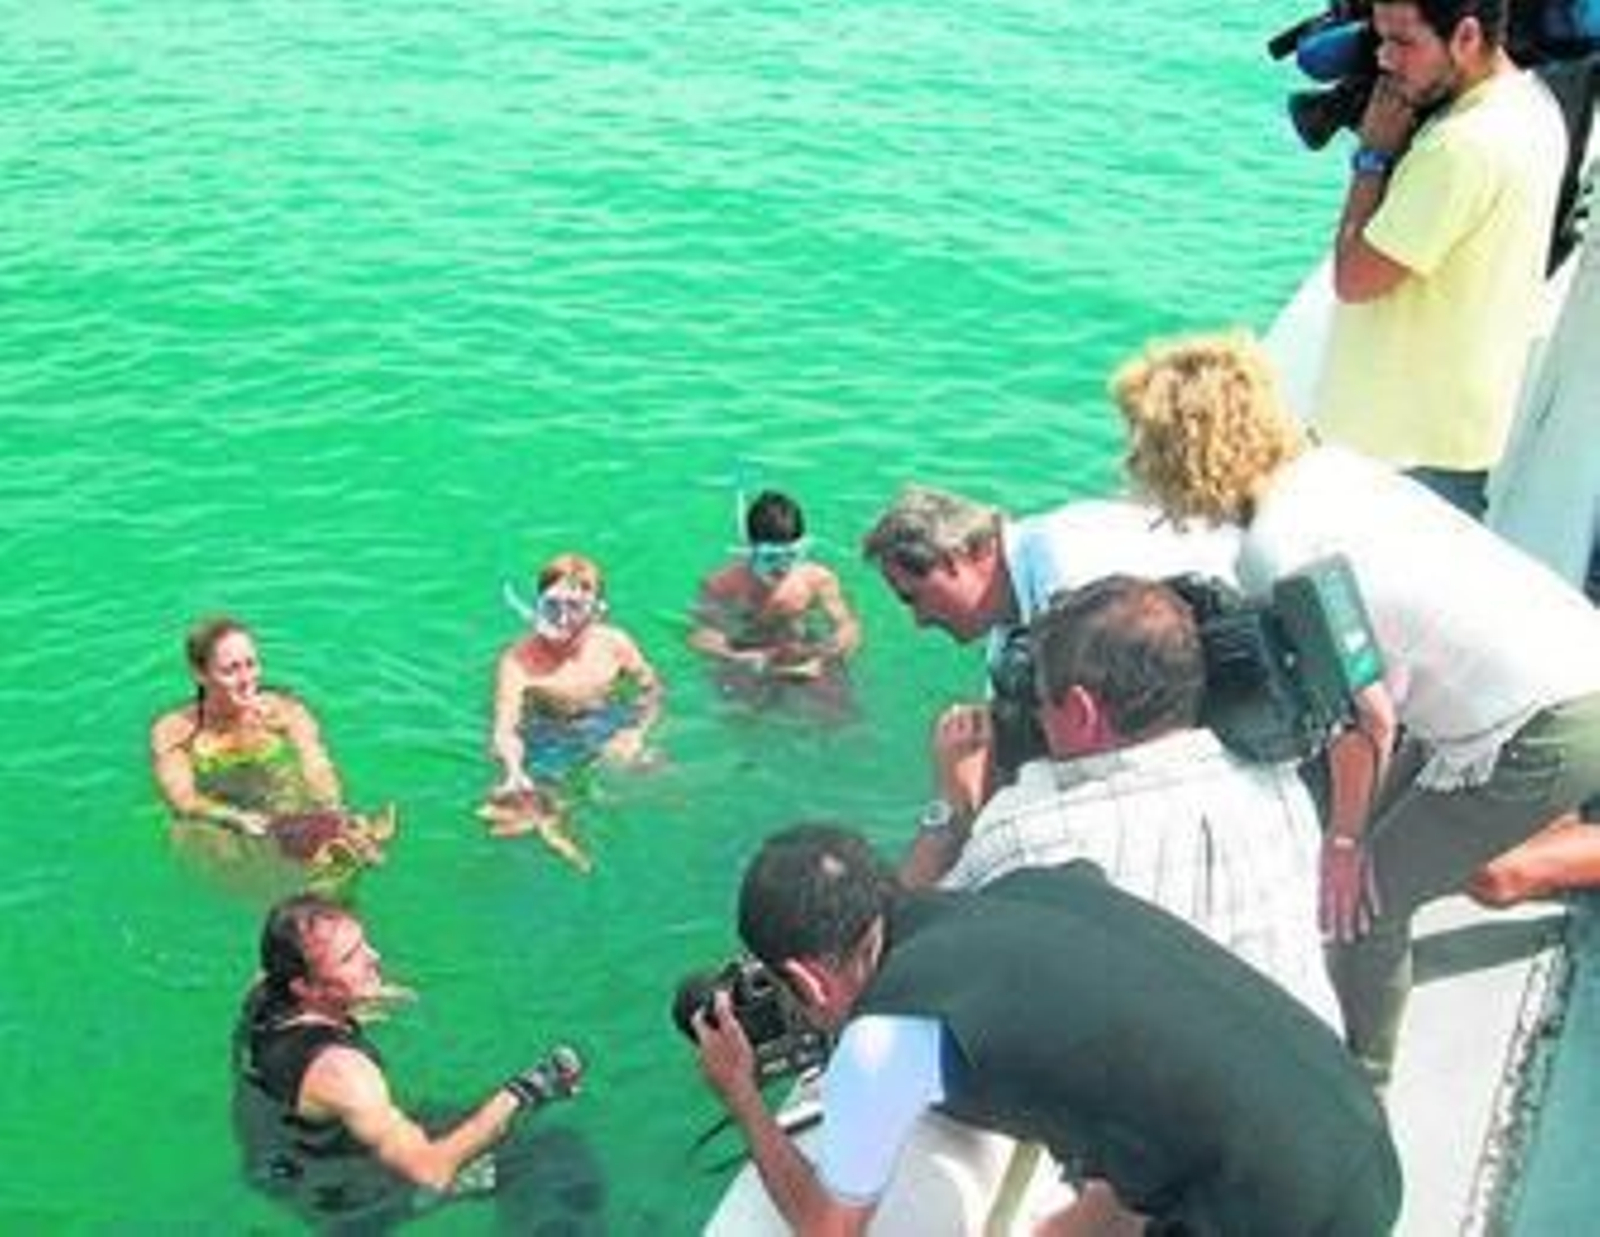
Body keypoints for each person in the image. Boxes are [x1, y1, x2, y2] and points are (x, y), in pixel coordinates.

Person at [1115, 328, 1600, 1086]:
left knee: (1364, 907)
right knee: (1389, 852)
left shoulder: (1277, 552)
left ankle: (1360, 1076)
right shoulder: (1330, 468)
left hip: (1541, 723)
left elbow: (1366, 719)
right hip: (1572, 655)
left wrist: (1345, 845)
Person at [693, 825, 1400, 1236]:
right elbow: (1139, 1067)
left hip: (1281, 1212)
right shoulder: (1037, 887)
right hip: (1355, 1124)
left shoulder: (888, 1038)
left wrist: (743, 1095)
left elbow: (828, 1228)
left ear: (809, 980)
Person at [907, 575, 1340, 1030]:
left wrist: (953, 807)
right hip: (1316, 1064)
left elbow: (908, 952)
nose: (1036, 715)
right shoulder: (1280, 783)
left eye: (1040, 700)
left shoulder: (1028, 834)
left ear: (1080, 712)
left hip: (1173, 1094)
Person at [1310, 0, 1567, 519]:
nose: (1384, 59)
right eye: (1380, 38)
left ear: (1467, 36)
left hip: (1396, 461)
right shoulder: (1531, 104)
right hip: (1448, 443)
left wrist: (1373, 158)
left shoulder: (1460, 147)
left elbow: (1355, 278)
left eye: (1404, 42)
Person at [232, 894, 583, 1229]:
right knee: (550, 1154)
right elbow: (430, 1170)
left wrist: (356, 996)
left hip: (278, 1159)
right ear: (305, 988)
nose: (375, 957)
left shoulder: (264, 991)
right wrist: (527, 1090)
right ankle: (405, 1204)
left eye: (363, 944)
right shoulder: (347, 1075)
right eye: (350, 958)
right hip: (342, 1193)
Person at [861, 485, 1238, 791]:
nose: (919, 620)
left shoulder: (1065, 571)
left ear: (963, 554)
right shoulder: (1009, 628)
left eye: (914, 597)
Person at [149, 616, 395, 873]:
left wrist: (332, 807)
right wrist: (234, 818)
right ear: (199, 673)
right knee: (212, 847)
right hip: (214, 810)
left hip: (276, 796)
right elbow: (183, 799)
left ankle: (345, 841)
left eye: (251, 664)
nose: (246, 679)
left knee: (323, 831)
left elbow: (316, 765)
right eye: (230, 670)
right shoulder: (174, 730)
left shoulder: (285, 712)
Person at [482, 552, 662, 871]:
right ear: (537, 606)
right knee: (515, 811)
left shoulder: (614, 644)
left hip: (607, 720)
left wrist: (635, 732)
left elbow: (652, 690)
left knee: (657, 780)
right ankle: (553, 831)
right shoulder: (517, 661)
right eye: (552, 606)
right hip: (548, 733)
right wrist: (513, 769)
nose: (563, 619)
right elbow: (505, 728)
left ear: (596, 611)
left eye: (575, 607)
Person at [689, 490, 861, 711]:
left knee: (842, 713)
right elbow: (700, 638)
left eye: (791, 555)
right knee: (740, 717)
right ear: (751, 550)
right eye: (770, 558)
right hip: (747, 652)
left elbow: (848, 626)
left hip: (801, 651)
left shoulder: (817, 580)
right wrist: (741, 658)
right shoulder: (722, 586)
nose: (782, 567)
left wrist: (828, 654)